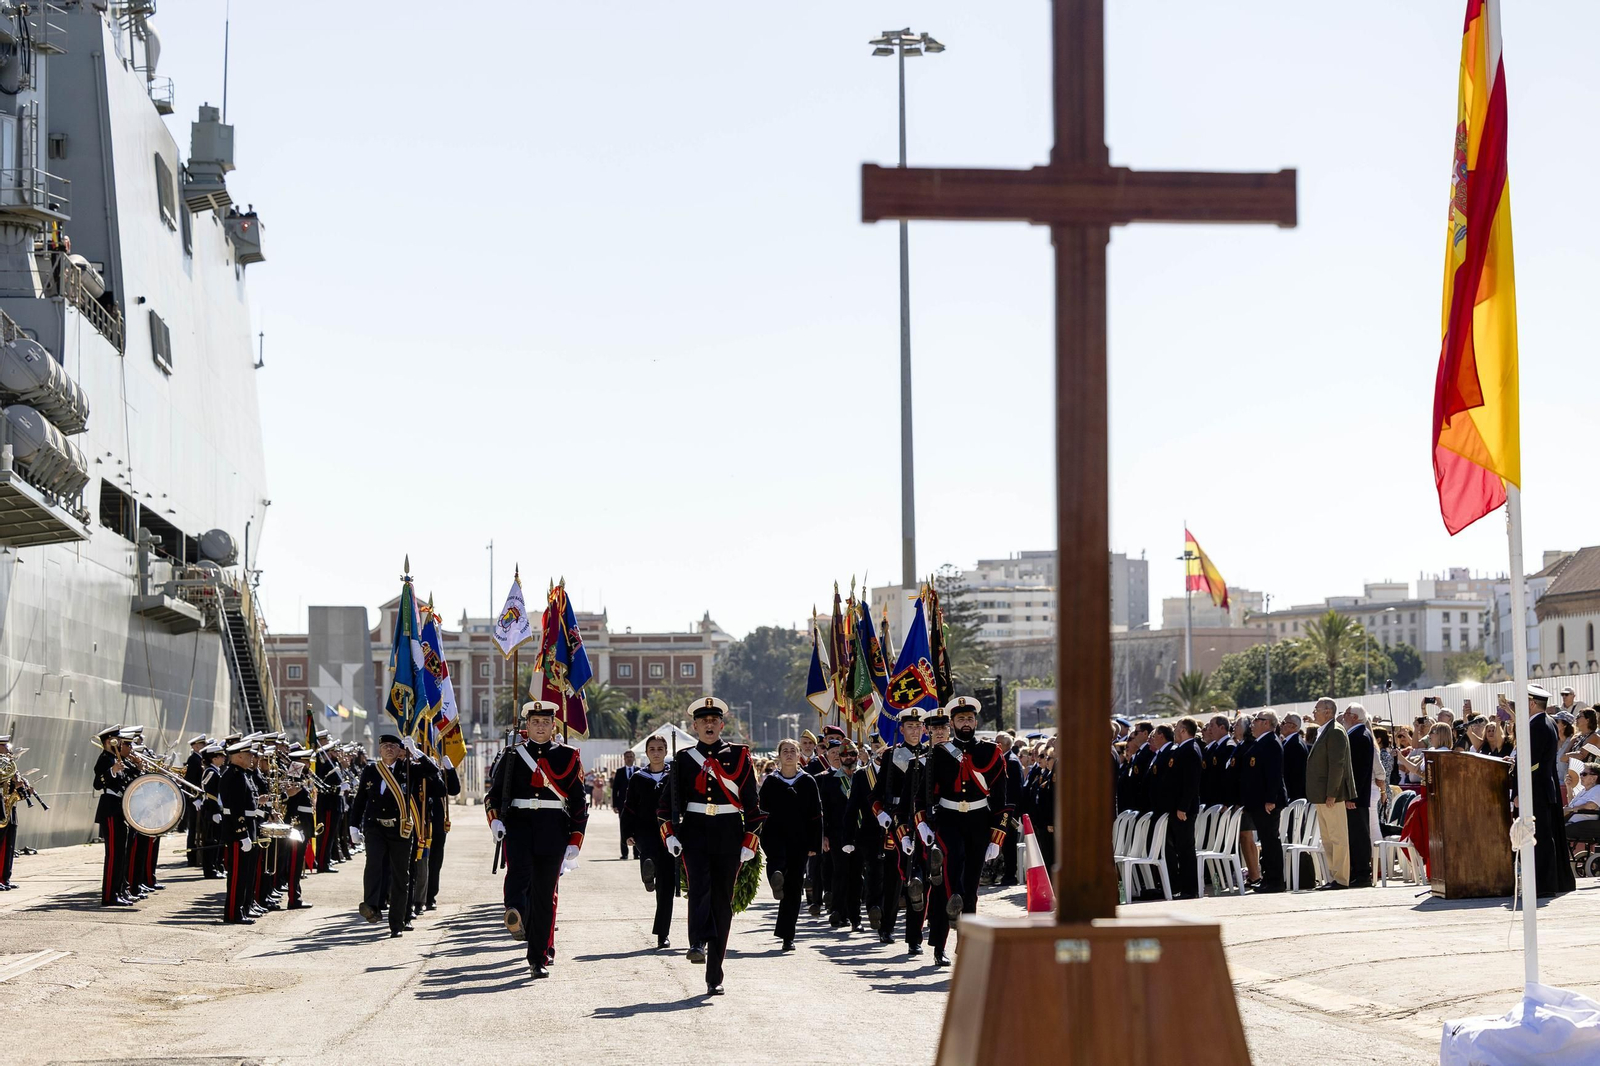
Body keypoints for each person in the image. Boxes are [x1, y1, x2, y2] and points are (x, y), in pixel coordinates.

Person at [660, 696, 763, 996]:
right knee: (700, 887)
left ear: (722, 724)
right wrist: (670, 835)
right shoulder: (683, 759)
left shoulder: (740, 757)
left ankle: (714, 974)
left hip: (729, 834)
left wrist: (750, 840)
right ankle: (696, 942)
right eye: (703, 721)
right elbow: (666, 805)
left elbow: (753, 806)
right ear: (694, 725)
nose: (708, 725)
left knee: (722, 903)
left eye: (714, 720)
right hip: (694, 833)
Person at [485, 702, 588, 977]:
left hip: (553, 829)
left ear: (553, 726)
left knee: (544, 894)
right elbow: (493, 796)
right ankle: (515, 913)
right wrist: (494, 819)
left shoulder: (568, 756)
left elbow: (578, 801)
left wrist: (575, 838)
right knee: (518, 875)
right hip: (518, 826)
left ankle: (538, 958)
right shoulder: (511, 755)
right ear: (526, 726)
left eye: (545, 722)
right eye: (535, 722)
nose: (540, 727)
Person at [917, 696, 1009, 967]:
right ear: (952, 723)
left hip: (979, 821)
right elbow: (923, 795)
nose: (965, 723)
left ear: (976, 721)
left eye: (969, 719)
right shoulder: (939, 752)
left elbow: (1002, 799)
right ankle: (939, 947)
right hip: (948, 819)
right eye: (960, 719)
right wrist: (922, 823)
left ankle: (967, 947)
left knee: (970, 888)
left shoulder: (991, 752)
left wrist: (997, 836)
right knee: (947, 881)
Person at [350, 733, 421, 939]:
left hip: (400, 829)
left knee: (401, 876)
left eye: (393, 746)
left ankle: (397, 923)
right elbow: (360, 798)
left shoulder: (408, 769)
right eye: (385, 746)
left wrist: (417, 753)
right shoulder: (371, 770)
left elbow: (433, 775)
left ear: (400, 750)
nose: (389, 749)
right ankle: (371, 906)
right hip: (375, 828)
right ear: (379, 750)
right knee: (373, 865)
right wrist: (354, 826)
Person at [873, 708, 930, 953]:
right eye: (910, 726)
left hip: (923, 821)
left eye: (919, 727)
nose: (915, 731)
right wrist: (881, 813)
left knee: (920, 878)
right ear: (902, 729)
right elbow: (875, 795)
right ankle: (886, 926)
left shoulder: (932, 754)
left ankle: (914, 938)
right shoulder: (891, 756)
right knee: (895, 877)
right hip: (897, 821)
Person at [758, 738, 821, 952]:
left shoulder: (808, 782)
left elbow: (816, 815)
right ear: (778, 755)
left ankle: (787, 936)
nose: (789, 754)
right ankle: (775, 879)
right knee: (776, 863)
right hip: (774, 836)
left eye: (792, 750)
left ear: (798, 755)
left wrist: (815, 843)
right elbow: (761, 812)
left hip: (799, 840)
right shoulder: (770, 782)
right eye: (784, 751)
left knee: (794, 887)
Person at [1520, 685, 1575, 897]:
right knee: (1544, 836)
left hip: (1536, 788)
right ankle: (1549, 883)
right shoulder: (1547, 722)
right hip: (1544, 787)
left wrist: (1519, 789)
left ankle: (1543, 885)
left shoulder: (1537, 726)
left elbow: (1531, 762)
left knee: (1540, 838)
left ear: (1532, 703)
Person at [625, 735, 676, 950]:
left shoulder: (674, 776)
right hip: (644, 829)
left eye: (660, 748)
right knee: (647, 854)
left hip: (669, 831)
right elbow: (629, 807)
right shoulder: (638, 778)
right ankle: (648, 873)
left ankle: (662, 934)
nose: (656, 752)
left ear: (666, 751)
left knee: (667, 886)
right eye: (652, 749)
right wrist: (627, 832)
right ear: (646, 753)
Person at [1305, 698, 1356, 890]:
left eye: (1317, 709)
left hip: (1331, 795)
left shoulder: (1334, 731)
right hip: (1322, 794)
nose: (1314, 712)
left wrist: (1332, 793)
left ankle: (1341, 879)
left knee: (1337, 837)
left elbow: (1338, 764)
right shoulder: (1325, 730)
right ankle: (1333, 877)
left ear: (1328, 712)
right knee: (1327, 838)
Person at [819, 739, 864, 930]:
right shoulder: (828, 780)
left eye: (852, 755)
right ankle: (837, 912)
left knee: (857, 875)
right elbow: (824, 811)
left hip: (861, 833)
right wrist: (824, 835)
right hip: (837, 834)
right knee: (840, 872)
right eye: (844, 755)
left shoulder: (863, 776)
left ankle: (855, 917)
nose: (848, 758)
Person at [1240, 711, 1287, 893]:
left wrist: (1270, 799)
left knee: (1270, 842)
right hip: (1258, 802)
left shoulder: (1271, 743)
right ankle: (1268, 878)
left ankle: (1275, 881)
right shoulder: (1262, 742)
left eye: (1256, 720)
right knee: (1266, 842)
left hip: (1267, 803)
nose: (1252, 724)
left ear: (1267, 723)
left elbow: (1274, 774)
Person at [92, 725, 138, 907]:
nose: (119, 742)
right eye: (116, 739)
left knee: (121, 854)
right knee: (113, 855)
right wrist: (112, 771)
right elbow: (97, 783)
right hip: (109, 809)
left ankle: (118, 891)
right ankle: (109, 895)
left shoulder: (115, 758)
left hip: (119, 809)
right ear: (108, 741)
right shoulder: (105, 758)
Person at [216, 739, 261, 924]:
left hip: (246, 829)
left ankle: (240, 909)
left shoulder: (242, 774)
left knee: (244, 874)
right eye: (249, 754)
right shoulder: (234, 776)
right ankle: (233, 913)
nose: (252, 757)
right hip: (237, 833)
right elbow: (235, 809)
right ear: (239, 756)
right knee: (237, 876)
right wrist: (243, 834)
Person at [1342, 704, 1376, 888]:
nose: (1343, 716)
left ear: (1355, 717)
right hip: (1354, 796)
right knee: (1354, 835)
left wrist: (1352, 797)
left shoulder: (1360, 736)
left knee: (1359, 835)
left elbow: (1359, 771)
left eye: (1347, 714)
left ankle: (1362, 873)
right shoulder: (1355, 734)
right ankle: (1356, 871)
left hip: (1356, 798)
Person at [612, 751, 638, 860]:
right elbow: (615, 789)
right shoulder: (620, 772)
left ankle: (637, 853)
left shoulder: (639, 771)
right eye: (627, 757)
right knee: (623, 828)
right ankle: (624, 853)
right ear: (624, 758)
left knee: (636, 828)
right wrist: (614, 805)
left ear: (634, 758)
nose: (629, 758)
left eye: (631, 756)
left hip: (636, 806)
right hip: (622, 805)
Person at [1279, 714, 1308, 802]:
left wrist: (1291, 797)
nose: (1281, 725)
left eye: (1284, 723)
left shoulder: (1296, 745)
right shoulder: (1290, 742)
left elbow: (1296, 775)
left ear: (1292, 726)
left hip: (1293, 797)